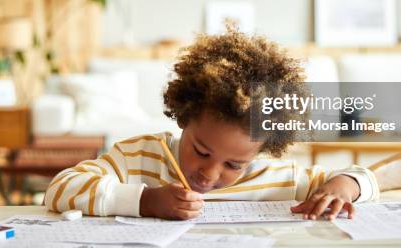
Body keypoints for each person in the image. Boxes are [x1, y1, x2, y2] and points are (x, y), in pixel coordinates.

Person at [45, 28, 379, 220]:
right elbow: (59, 190)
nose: (210, 173)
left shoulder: (279, 179)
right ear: (184, 117)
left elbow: (364, 179)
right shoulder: (139, 158)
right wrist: (144, 201)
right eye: (201, 151)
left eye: (234, 164)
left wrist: (344, 187)